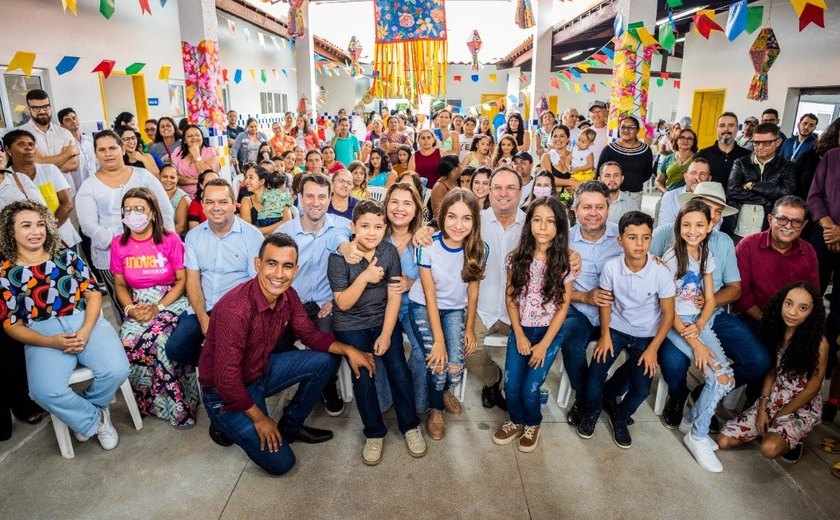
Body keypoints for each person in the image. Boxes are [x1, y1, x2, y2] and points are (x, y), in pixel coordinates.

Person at [199, 233, 375, 475]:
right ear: (258, 265)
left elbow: (311, 337)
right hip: (225, 393)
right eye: (272, 264)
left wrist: (349, 350)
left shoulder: (288, 295)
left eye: (287, 266)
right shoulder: (235, 309)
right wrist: (260, 419)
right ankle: (222, 422)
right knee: (282, 464)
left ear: (296, 270)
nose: (279, 274)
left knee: (324, 361)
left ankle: (290, 426)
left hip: (259, 371)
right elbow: (226, 379)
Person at [0, 200, 129, 450]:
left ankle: (88, 410)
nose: (36, 231)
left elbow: (93, 294)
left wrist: (85, 329)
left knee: (116, 370)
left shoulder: (66, 256)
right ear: (10, 231)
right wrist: (50, 342)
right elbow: (10, 324)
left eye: (40, 224)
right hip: (42, 333)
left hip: (84, 320)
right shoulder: (5, 274)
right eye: (26, 225)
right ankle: (95, 420)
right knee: (43, 391)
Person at [328, 200, 426, 464]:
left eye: (378, 227)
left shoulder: (389, 252)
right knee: (364, 375)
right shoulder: (339, 258)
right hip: (350, 324)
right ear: (353, 227)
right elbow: (343, 303)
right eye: (365, 226)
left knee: (398, 370)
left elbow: (395, 296)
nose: (371, 232)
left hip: (381, 320)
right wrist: (365, 277)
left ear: (385, 229)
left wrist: (386, 333)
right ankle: (373, 432)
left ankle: (410, 425)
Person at [577, 211, 675, 448]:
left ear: (651, 239)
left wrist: (653, 349)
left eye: (645, 238)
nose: (639, 244)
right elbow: (606, 302)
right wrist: (605, 335)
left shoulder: (661, 272)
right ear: (620, 240)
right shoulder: (611, 267)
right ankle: (592, 410)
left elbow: (668, 314)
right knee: (595, 373)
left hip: (646, 335)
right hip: (616, 329)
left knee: (641, 388)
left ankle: (620, 415)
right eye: (632, 237)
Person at [110, 187, 198, 427]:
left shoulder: (170, 239)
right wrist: (129, 309)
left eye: (139, 209)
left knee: (159, 341)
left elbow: (182, 280)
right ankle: (148, 402)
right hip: (138, 302)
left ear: (152, 213)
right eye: (128, 209)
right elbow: (119, 284)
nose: (133, 214)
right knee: (126, 340)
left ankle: (178, 405)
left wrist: (159, 307)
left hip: (171, 299)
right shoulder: (119, 244)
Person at [492, 197, 574, 452]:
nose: (542, 227)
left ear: (559, 227)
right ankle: (516, 420)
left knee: (530, 388)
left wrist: (544, 345)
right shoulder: (516, 258)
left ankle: (532, 423)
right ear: (529, 224)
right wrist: (518, 334)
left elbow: (563, 307)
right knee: (512, 385)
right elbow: (511, 297)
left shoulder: (565, 262)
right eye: (537, 220)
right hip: (521, 330)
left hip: (548, 334)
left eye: (550, 222)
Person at [660, 200, 735, 472]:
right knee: (718, 375)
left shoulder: (706, 255)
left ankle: (692, 421)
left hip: (696, 321)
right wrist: (694, 341)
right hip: (672, 321)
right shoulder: (671, 257)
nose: (693, 230)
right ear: (679, 226)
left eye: (699, 225)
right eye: (687, 224)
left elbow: (711, 298)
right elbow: (665, 306)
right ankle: (699, 435)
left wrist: (701, 326)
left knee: (725, 377)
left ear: (709, 227)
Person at [718, 282, 827, 463]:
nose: (792, 312)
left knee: (769, 449)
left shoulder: (819, 343)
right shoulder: (776, 329)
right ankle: (770, 431)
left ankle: (796, 438)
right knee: (723, 441)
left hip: (800, 406)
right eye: (789, 303)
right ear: (781, 303)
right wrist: (762, 408)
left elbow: (812, 389)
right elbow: (772, 372)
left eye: (803, 308)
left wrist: (778, 416)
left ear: (812, 312)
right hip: (774, 399)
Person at [408, 188, 486, 439]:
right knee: (438, 362)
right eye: (452, 216)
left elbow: (473, 292)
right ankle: (435, 409)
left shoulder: (480, 249)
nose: (458, 224)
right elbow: (430, 295)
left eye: (466, 218)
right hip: (423, 305)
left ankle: (441, 391)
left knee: (455, 366)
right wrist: (439, 341)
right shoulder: (428, 246)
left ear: (475, 221)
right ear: (442, 217)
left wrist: (470, 328)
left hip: (454, 309)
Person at [275, 173, 352, 415]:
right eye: (309, 196)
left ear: (330, 198)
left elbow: (357, 268)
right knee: (273, 346)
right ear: (299, 198)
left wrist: (336, 300)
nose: (315, 202)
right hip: (290, 303)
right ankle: (310, 373)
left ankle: (325, 389)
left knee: (329, 345)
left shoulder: (343, 227)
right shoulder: (285, 233)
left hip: (326, 303)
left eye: (321, 196)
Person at [75, 130, 175, 317]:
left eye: (113, 148)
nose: (108, 153)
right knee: (127, 311)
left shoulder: (143, 176)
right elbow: (88, 225)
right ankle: (129, 342)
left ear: (122, 149)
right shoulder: (89, 186)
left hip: (153, 256)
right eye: (102, 149)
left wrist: (163, 242)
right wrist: (122, 244)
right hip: (110, 256)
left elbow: (165, 209)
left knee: (159, 307)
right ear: (95, 153)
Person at [373, 182, 428, 414]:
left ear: (416, 209)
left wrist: (411, 283)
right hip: (380, 308)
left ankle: (416, 400)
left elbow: (436, 283)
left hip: (412, 307)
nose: (399, 208)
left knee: (423, 349)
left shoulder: (424, 240)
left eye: (407, 203)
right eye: (394, 202)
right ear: (386, 206)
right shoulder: (375, 235)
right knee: (379, 348)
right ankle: (385, 401)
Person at [733, 196, 819, 327]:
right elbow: (741, 295)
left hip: (792, 323)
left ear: (804, 225)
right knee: (757, 348)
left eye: (796, 222)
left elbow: (812, 294)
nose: (789, 226)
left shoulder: (808, 251)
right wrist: (766, 321)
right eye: (782, 219)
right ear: (770, 219)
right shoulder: (747, 245)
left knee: (821, 346)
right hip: (752, 318)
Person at [3, 130, 81, 250]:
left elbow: (67, 203)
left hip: (62, 238)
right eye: (20, 144)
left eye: (31, 144)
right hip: (29, 245)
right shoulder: (6, 179)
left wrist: (48, 230)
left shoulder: (49, 169)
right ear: (8, 150)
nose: (28, 148)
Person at [728, 123, 796, 240]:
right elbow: (732, 191)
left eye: (766, 143)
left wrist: (753, 185)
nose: (760, 147)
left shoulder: (786, 166)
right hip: (739, 228)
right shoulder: (741, 163)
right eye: (756, 142)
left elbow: (786, 194)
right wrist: (768, 200)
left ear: (778, 142)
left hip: (769, 229)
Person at [596, 116, 653, 208]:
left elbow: (648, 173)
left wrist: (634, 181)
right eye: (623, 127)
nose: (626, 130)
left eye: (631, 127)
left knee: (633, 221)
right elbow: (599, 173)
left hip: (635, 195)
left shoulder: (645, 150)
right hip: (611, 194)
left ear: (638, 131)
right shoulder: (609, 149)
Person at [19, 89, 79, 175]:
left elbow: (73, 164)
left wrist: (43, 165)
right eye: (36, 108)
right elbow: (34, 166)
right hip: (40, 187)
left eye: (45, 106)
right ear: (29, 110)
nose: (42, 111)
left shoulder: (64, 132)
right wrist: (68, 153)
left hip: (67, 187)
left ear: (50, 107)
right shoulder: (21, 134)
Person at [696, 112, 752, 189]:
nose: (726, 129)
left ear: (737, 129)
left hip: (738, 200)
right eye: (722, 125)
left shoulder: (748, 156)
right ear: (717, 129)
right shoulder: (702, 155)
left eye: (731, 125)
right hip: (708, 199)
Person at [657, 158, 712, 229]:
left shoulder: (713, 200)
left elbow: (714, 229)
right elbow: (665, 229)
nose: (697, 178)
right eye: (693, 173)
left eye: (703, 174)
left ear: (709, 179)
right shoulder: (670, 197)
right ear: (685, 176)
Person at [240, 165, 292, 236]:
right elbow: (248, 232)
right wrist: (280, 225)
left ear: (262, 181)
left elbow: (288, 223)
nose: (246, 181)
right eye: (246, 177)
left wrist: (259, 230)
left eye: (251, 177)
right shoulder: (247, 201)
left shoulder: (279, 196)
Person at [170, 124, 219, 198]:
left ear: (202, 138)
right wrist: (197, 181)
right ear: (185, 140)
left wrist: (196, 155)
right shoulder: (178, 152)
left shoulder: (210, 151)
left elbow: (209, 177)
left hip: (205, 195)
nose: (194, 138)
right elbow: (174, 177)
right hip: (182, 196)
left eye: (197, 135)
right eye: (190, 136)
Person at [57, 107, 97, 194]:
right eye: (67, 120)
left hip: (96, 187)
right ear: (62, 126)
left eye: (74, 118)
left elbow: (97, 164)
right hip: (78, 191)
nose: (73, 121)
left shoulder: (90, 141)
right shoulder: (64, 147)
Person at [655, 128, 697, 192]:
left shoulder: (697, 160)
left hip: (689, 197)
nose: (685, 141)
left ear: (693, 142)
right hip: (668, 196)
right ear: (677, 140)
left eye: (689, 138)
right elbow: (658, 181)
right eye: (682, 137)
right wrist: (666, 193)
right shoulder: (668, 159)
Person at [540, 125, 575, 192]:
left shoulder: (575, 155)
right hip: (553, 199)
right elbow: (549, 179)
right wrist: (570, 182)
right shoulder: (546, 157)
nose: (558, 139)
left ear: (568, 138)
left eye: (562, 136)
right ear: (551, 139)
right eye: (555, 136)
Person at [158, 164, 190, 236]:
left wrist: (160, 240)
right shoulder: (154, 193)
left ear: (177, 178)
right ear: (159, 176)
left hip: (174, 239)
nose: (168, 180)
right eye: (165, 176)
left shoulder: (184, 199)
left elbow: (181, 227)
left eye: (172, 177)